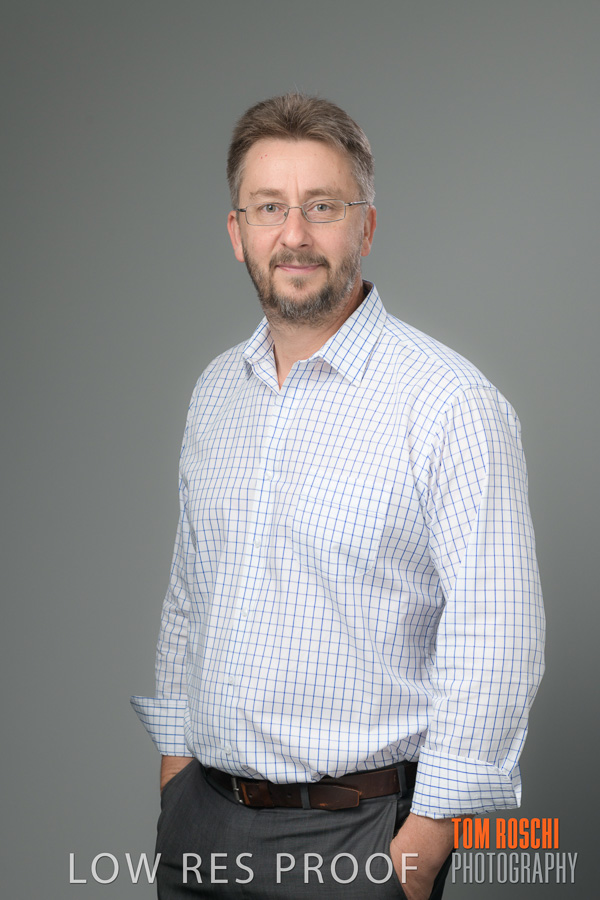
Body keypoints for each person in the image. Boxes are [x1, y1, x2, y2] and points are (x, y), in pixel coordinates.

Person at [131, 92, 545, 900]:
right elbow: (190, 594)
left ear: (366, 227)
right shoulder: (216, 392)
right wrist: (177, 774)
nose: (294, 234)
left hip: (357, 838)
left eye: (322, 206)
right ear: (236, 232)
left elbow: (498, 636)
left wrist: (424, 843)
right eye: (269, 207)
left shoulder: (449, 403)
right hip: (202, 824)